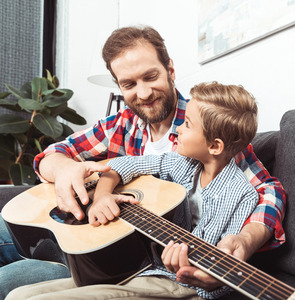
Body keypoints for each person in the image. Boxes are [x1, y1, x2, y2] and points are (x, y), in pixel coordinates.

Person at [0, 25, 286, 297]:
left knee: (10, 285)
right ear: (119, 87)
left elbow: (267, 191)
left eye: (151, 77)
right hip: (88, 235)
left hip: (131, 262)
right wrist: (68, 172)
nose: (144, 93)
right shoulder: (120, 125)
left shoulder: (209, 122)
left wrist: (246, 240)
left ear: (170, 70)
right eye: (129, 84)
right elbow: (52, 154)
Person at [8, 81, 260, 299]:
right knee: (18, 294)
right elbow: (121, 164)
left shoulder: (241, 195)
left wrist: (194, 269)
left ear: (214, 146)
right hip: (142, 266)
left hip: (177, 283)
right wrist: (103, 195)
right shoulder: (180, 162)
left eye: (187, 124)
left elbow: (219, 268)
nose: (178, 128)